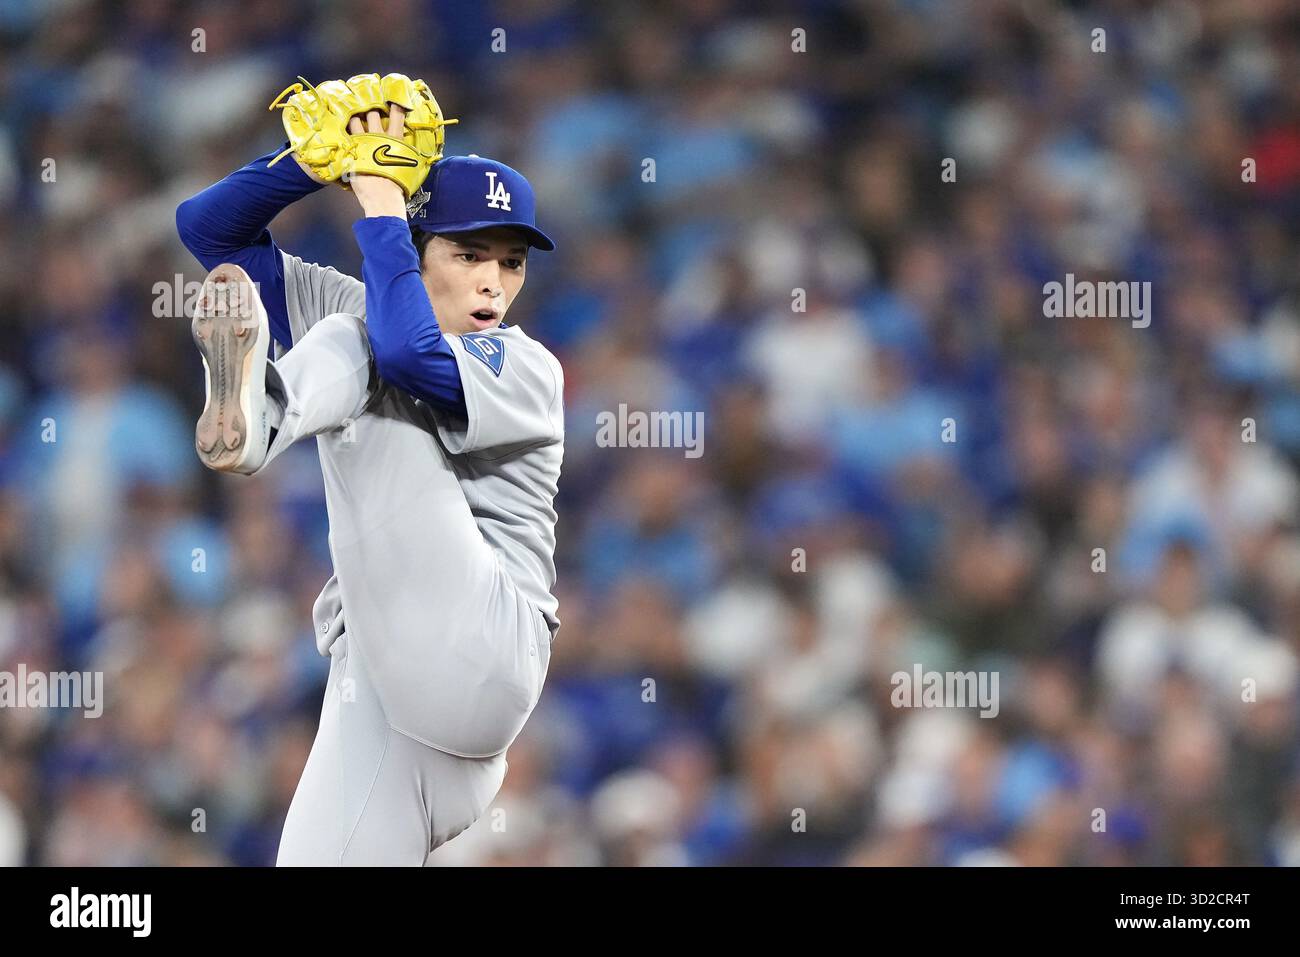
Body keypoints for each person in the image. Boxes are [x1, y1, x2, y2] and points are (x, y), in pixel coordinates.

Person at [175, 104, 564, 865]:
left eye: (511, 261)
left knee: (362, 342)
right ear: (418, 252)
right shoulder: (360, 308)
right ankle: (263, 408)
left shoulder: (526, 366)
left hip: (480, 656)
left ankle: (264, 411)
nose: (492, 280)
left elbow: (410, 353)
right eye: (468, 252)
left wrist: (381, 203)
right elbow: (208, 233)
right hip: (385, 697)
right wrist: (312, 161)